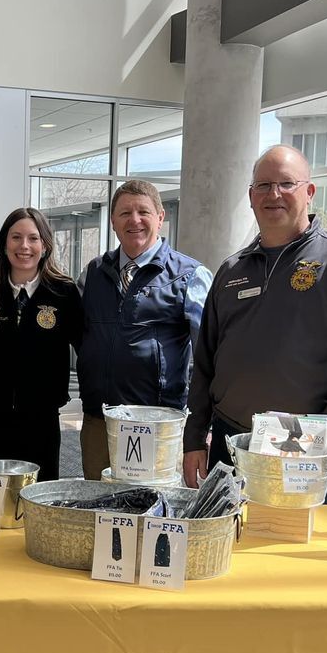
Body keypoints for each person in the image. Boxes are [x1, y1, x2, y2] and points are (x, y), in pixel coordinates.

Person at [182, 145, 327, 504]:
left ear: (309, 192)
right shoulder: (232, 270)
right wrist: (194, 438)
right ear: (251, 197)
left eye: (286, 184)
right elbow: (205, 361)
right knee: (229, 550)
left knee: (299, 556)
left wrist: (323, 427)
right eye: (264, 186)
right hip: (229, 442)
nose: (274, 194)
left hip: (304, 450)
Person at [75, 179, 213, 480]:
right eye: (124, 213)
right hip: (99, 421)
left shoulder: (190, 276)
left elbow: (209, 357)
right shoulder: (94, 273)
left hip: (157, 424)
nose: (134, 220)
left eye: (143, 212)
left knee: (153, 510)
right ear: (112, 221)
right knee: (98, 509)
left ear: (160, 218)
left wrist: (203, 426)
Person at [0, 207, 82, 481]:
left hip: (40, 418)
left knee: (38, 501)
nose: (24, 246)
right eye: (16, 237)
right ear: (4, 243)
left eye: (33, 238)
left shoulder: (64, 292)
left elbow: (84, 346)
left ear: (45, 245)